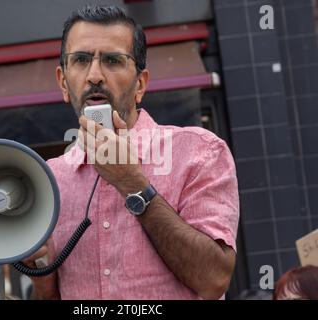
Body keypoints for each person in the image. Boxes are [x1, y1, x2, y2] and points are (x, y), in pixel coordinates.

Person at [27, 5, 239, 300]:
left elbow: (214, 279)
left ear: (140, 84)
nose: (95, 76)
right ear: (64, 83)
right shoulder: (48, 178)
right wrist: (38, 266)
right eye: (81, 60)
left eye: (113, 60)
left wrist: (132, 183)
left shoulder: (199, 152)